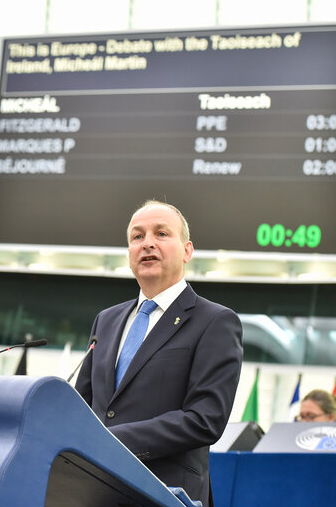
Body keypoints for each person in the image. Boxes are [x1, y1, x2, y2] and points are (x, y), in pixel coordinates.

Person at [74, 200, 243, 507]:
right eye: (137, 237)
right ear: (129, 254)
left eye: (161, 234)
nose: (147, 243)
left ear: (187, 251)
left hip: (164, 494)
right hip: (92, 489)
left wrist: (112, 441)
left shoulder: (215, 321)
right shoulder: (106, 320)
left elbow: (205, 419)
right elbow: (82, 407)